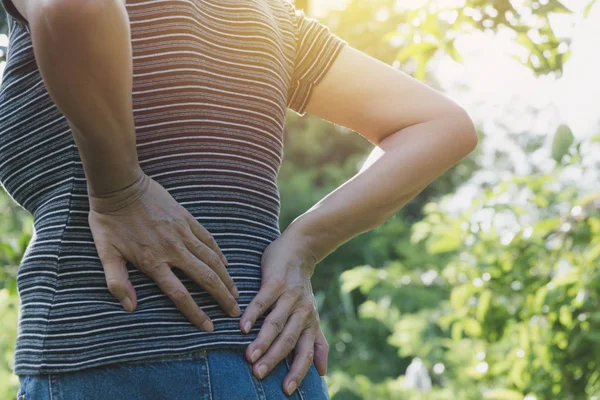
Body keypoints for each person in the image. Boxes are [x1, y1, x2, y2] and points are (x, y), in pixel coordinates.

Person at [0, 0, 478, 398]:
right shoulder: (269, 15)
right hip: (277, 366)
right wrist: (301, 244)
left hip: (114, 355)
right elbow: (440, 125)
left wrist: (121, 190)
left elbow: (73, 8)